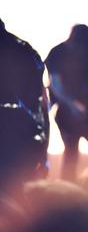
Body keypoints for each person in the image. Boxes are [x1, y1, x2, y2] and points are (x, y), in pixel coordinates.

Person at [45, 24, 88, 181]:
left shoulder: (86, 56)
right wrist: (73, 105)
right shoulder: (57, 54)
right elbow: (55, 85)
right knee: (71, 155)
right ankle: (66, 196)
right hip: (65, 114)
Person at [0, 18, 49, 232]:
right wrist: (43, 149)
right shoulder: (29, 52)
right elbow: (41, 106)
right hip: (23, 141)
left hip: (15, 141)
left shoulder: (23, 53)